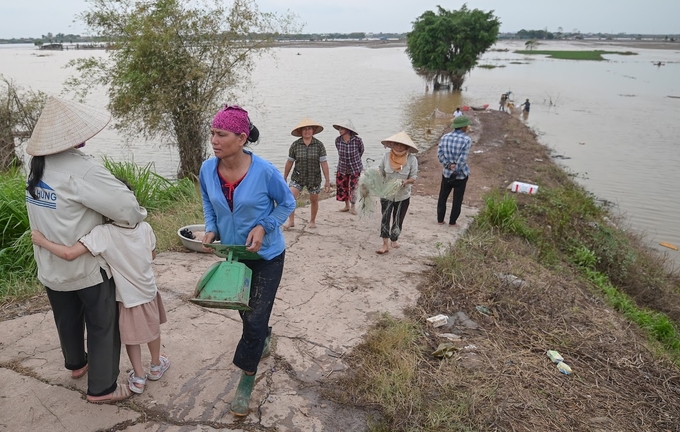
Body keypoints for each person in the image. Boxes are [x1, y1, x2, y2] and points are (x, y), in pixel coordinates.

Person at [25, 96, 147, 403]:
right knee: (102, 323)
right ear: (75, 136)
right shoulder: (84, 170)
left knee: (66, 317)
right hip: (85, 265)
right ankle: (103, 388)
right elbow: (128, 209)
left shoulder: (37, 166)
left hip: (51, 265)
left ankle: (77, 365)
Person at [199, 105, 296, 417]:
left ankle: (246, 378)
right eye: (212, 133)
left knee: (253, 318)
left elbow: (288, 203)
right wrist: (211, 228)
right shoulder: (206, 169)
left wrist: (263, 225)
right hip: (234, 255)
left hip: (266, 256)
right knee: (248, 312)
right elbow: (207, 201)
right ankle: (262, 336)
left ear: (241, 138)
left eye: (221, 134)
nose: (214, 139)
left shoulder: (264, 171)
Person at [30, 197, 169, 396]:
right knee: (151, 330)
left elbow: (69, 254)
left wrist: (42, 241)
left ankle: (139, 377)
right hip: (147, 291)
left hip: (126, 297)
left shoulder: (103, 233)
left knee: (132, 337)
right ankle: (156, 366)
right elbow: (152, 255)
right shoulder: (145, 227)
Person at [375, 131, 419, 255]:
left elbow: (413, 178)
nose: (399, 147)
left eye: (401, 145)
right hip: (386, 194)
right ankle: (385, 244)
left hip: (402, 195)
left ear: (407, 147)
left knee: (398, 219)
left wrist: (406, 181)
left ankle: (394, 238)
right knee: (385, 218)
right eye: (396, 144)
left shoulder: (411, 160)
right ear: (392, 145)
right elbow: (381, 172)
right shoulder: (386, 157)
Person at [283, 118, 331, 228]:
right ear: (300, 131)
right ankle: (291, 221)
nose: (307, 131)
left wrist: (327, 181)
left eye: (309, 129)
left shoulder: (319, 145)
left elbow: (324, 163)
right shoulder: (295, 145)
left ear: (313, 130)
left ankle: (312, 221)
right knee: (290, 197)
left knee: (314, 200)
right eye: (304, 129)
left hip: (314, 177)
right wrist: (284, 177)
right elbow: (290, 162)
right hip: (298, 176)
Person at [437, 115, 472, 226]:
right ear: (464, 127)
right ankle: (452, 222)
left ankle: (440, 220)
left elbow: (440, 154)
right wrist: (456, 169)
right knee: (457, 199)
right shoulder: (466, 140)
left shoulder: (445, 137)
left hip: (447, 174)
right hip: (460, 175)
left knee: (443, 196)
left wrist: (448, 166)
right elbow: (463, 159)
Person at [333, 120, 364, 215]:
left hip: (355, 167)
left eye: (342, 128)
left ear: (348, 130)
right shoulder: (338, 140)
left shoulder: (357, 140)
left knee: (354, 187)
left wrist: (355, 161)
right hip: (342, 167)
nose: (340, 130)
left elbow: (361, 151)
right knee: (343, 186)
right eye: (339, 128)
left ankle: (353, 207)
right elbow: (339, 151)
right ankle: (346, 206)